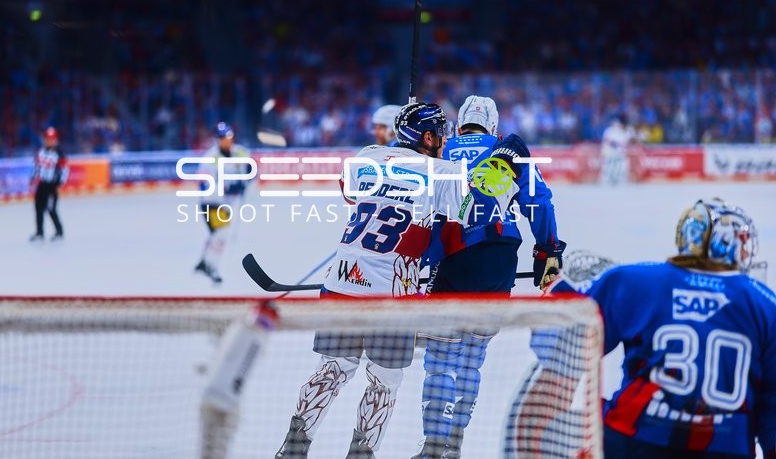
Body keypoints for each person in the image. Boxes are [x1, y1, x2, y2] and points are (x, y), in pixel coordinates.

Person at [275, 102, 526, 459]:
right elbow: (480, 206)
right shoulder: (442, 172)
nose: (445, 137)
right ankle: (361, 454)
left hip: (341, 283)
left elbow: (349, 190)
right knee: (384, 382)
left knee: (333, 368)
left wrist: (395, 160)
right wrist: (507, 157)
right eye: (439, 131)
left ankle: (293, 446)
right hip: (391, 298)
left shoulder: (367, 156)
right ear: (427, 136)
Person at [510, 198, 773, 459]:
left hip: (632, 441)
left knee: (555, 393)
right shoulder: (764, 303)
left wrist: (558, 290)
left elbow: (556, 339)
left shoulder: (637, 280)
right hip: (725, 449)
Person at [414, 95, 565, 459]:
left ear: (458, 124)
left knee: (441, 357)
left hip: (449, 261)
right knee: (472, 354)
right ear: (492, 126)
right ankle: (456, 441)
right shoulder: (507, 151)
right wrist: (547, 251)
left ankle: (435, 445)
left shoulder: (440, 149)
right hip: (498, 261)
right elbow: (539, 202)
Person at [194, 122, 250, 284]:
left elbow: (250, 168)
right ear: (218, 139)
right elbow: (204, 183)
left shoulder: (240, 152)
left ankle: (204, 262)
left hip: (226, 204)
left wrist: (245, 179)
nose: (227, 141)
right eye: (224, 138)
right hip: (212, 202)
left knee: (216, 234)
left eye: (229, 137)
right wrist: (226, 186)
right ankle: (213, 267)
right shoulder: (210, 158)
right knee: (221, 234)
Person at [29, 127, 68, 242]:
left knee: (51, 209)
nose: (49, 141)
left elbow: (64, 170)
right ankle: (39, 233)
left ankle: (59, 231)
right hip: (42, 184)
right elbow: (36, 166)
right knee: (38, 208)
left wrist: (60, 183)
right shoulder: (41, 151)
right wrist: (33, 178)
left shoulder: (59, 153)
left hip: (52, 186)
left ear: (56, 139)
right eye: (48, 138)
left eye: (52, 138)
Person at [600, 114, 636, 185]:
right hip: (610, 153)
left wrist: (632, 139)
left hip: (620, 154)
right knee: (608, 169)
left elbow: (631, 140)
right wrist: (617, 146)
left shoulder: (627, 130)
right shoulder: (611, 130)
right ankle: (606, 182)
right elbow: (607, 141)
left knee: (622, 167)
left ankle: (621, 181)